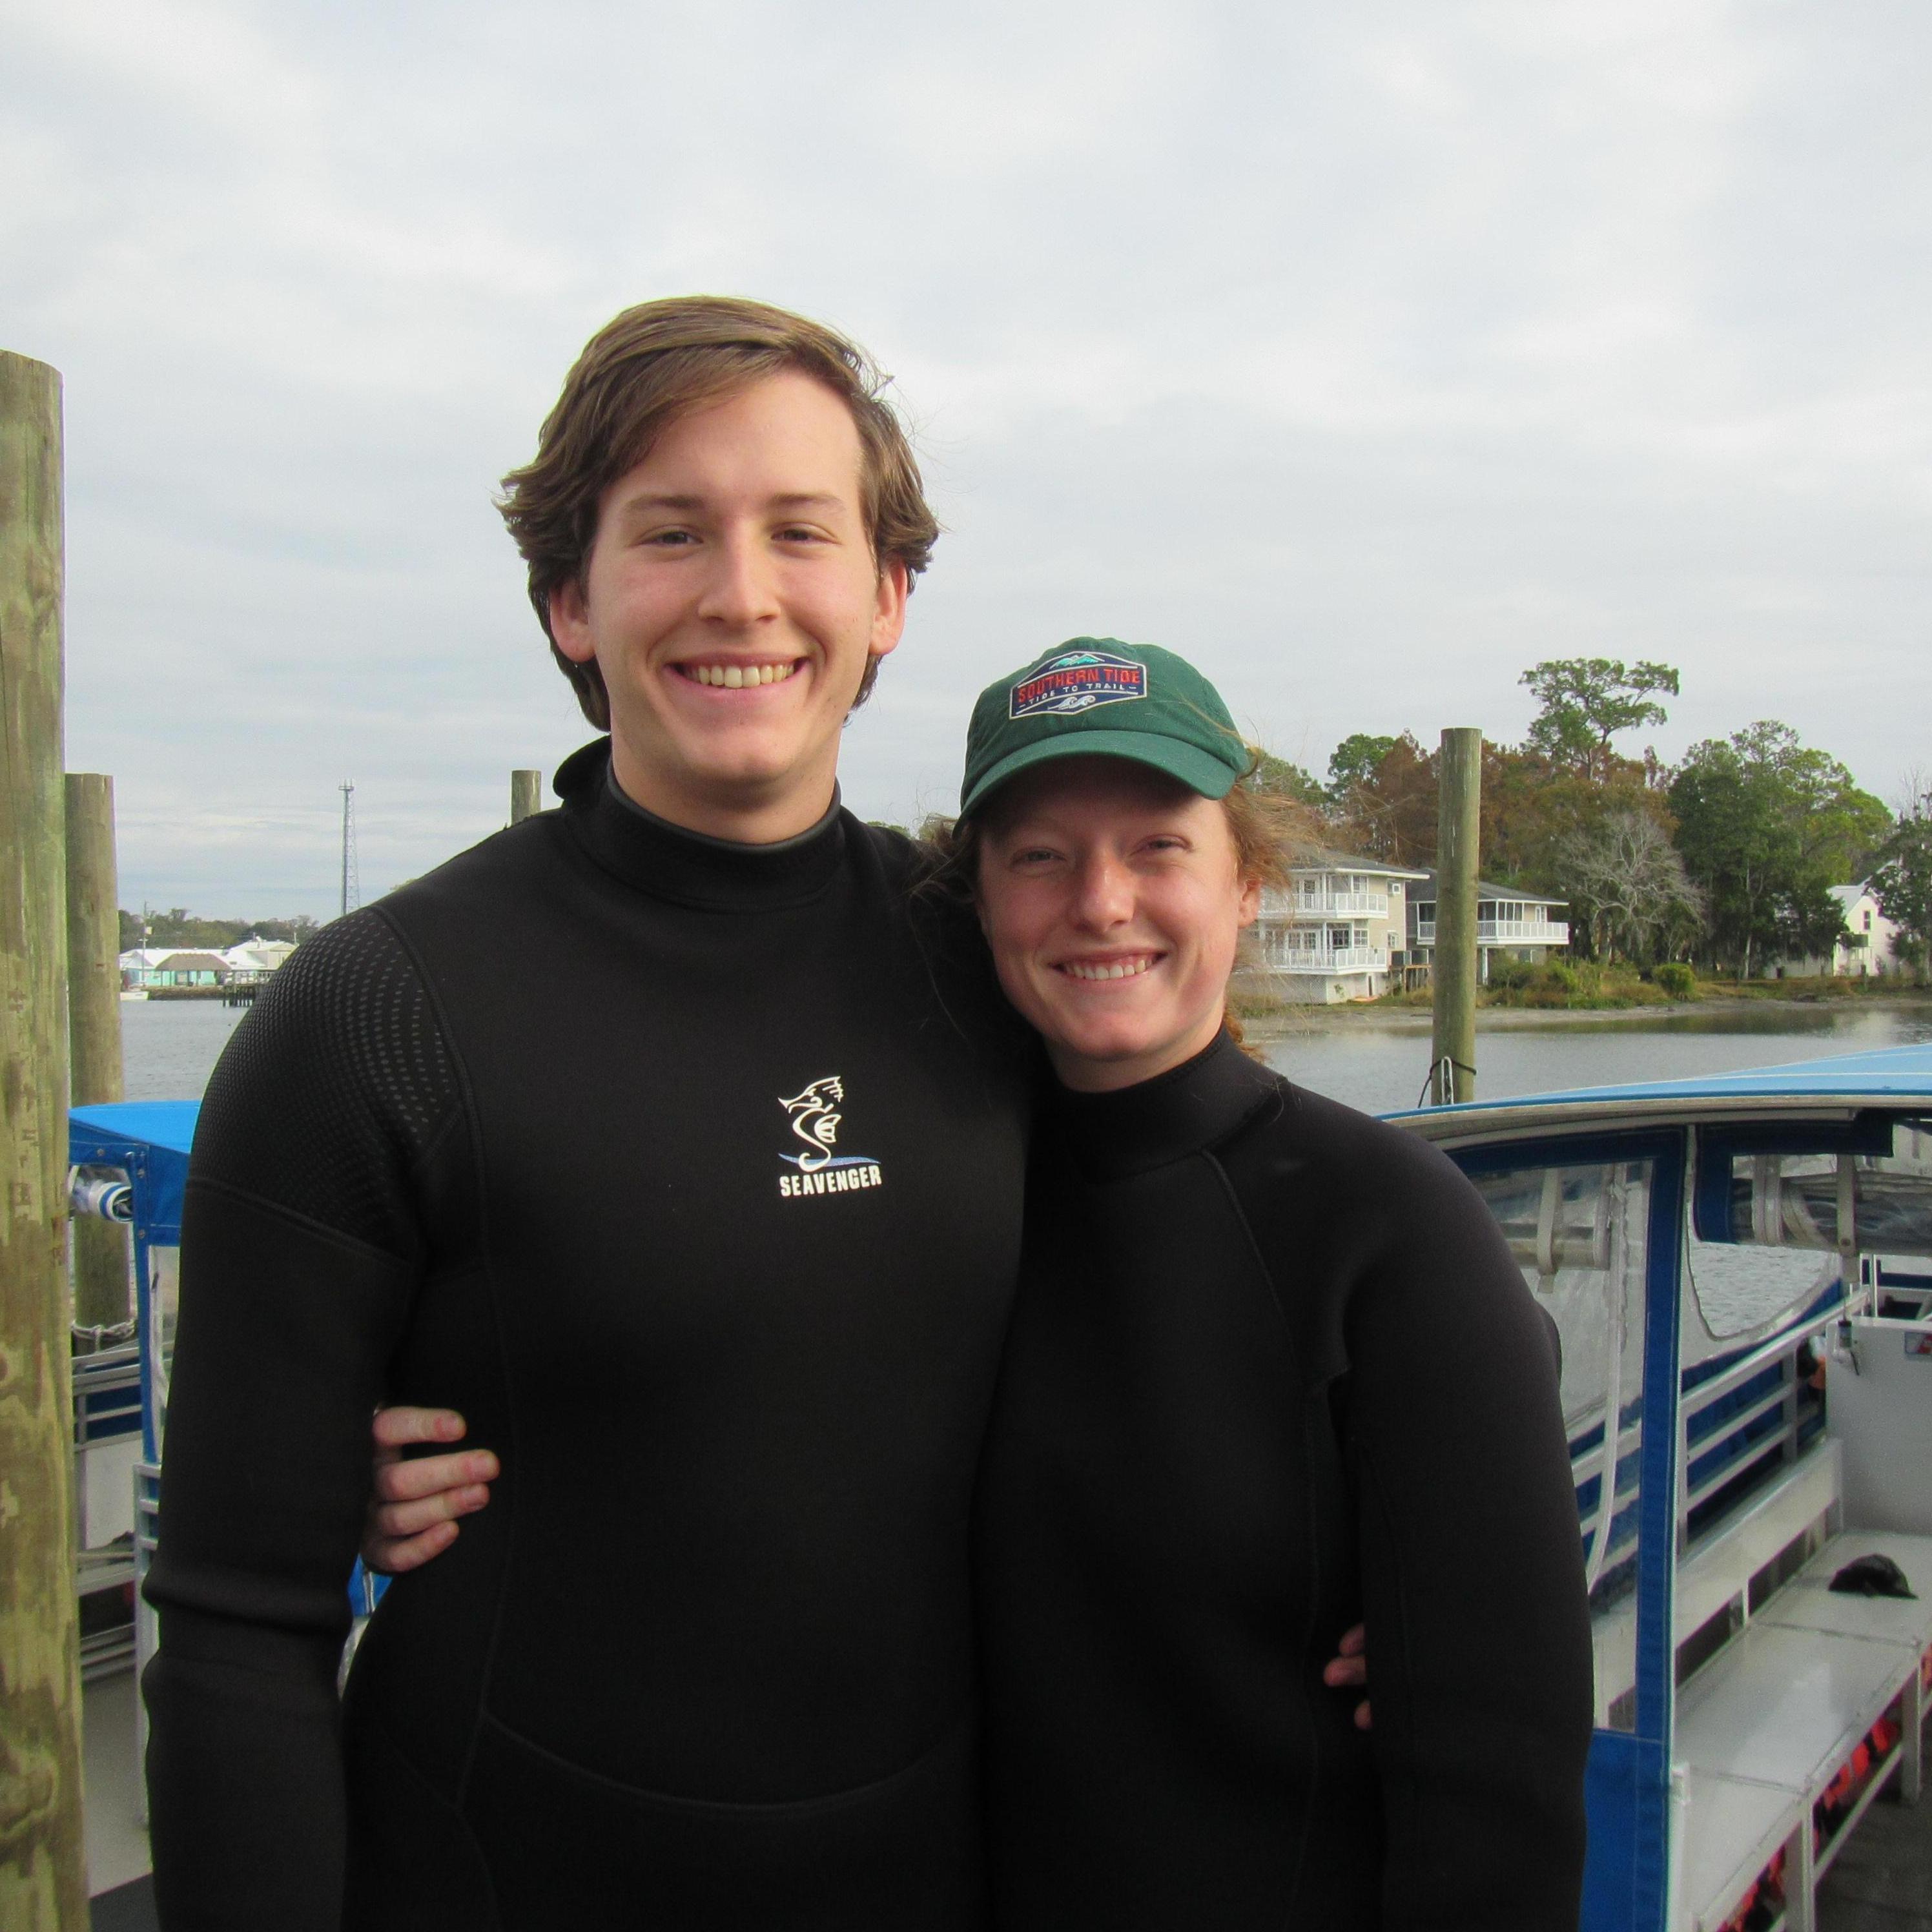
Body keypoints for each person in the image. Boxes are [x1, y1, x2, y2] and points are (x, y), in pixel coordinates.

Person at [380, 641, 1596, 1927]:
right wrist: (427, 1440)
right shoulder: (928, 1193)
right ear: (979, 902)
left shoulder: (1388, 1230)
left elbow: (1497, 1795)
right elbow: (690, 1366)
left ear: (1246, 884)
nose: (1101, 900)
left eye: (1157, 847)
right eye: (1039, 855)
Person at [142, 298, 1035, 1931]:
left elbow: (1236, 1245)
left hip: (935, 1869)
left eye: (800, 532)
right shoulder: (374, 1016)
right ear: (570, 598)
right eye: (670, 533)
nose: (740, 593)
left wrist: (1388, 1549)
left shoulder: (993, 965)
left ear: (891, 592)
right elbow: (232, 1625)